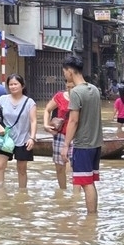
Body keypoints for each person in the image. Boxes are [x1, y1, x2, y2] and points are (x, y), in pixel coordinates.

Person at [61, 55, 103, 215]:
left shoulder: (76, 93)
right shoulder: (94, 90)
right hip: (96, 143)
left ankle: (91, 218)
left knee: (86, 183)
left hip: (83, 145)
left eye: (65, 72)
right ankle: (93, 218)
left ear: (70, 71)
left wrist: (65, 145)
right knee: (90, 181)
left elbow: (73, 121)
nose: (64, 75)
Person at [0, 74, 37, 188]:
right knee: (0, 166)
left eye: (16, 84)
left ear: (22, 86)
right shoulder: (3, 99)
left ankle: (22, 194)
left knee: (22, 169)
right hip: (5, 140)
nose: (13, 86)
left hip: (23, 139)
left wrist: (32, 138)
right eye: (10, 84)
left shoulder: (30, 102)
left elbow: (33, 121)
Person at [43, 81, 74, 189]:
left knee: (76, 168)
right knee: (60, 168)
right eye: (68, 86)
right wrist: (46, 125)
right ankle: (63, 191)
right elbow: (47, 109)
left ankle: (76, 194)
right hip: (60, 136)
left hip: (77, 136)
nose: (70, 89)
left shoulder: (82, 98)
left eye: (73, 86)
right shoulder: (60, 97)